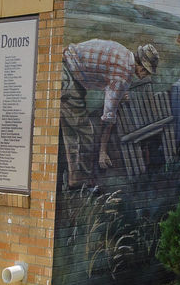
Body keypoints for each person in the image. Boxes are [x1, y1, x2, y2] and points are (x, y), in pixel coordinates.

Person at [60, 39, 159, 188]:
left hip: (65, 67)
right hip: (69, 77)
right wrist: (103, 151)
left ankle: (75, 180)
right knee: (85, 133)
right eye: (147, 72)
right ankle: (83, 182)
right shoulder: (124, 74)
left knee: (72, 133)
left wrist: (119, 93)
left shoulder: (124, 54)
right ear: (142, 67)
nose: (145, 76)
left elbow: (107, 76)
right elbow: (108, 117)